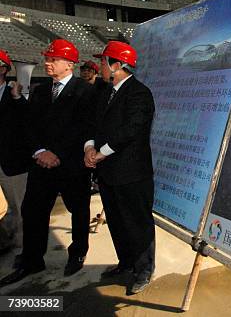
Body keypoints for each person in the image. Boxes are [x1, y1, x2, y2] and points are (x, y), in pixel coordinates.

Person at [0, 40, 95, 287]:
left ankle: (77, 253)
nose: (47, 63)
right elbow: (29, 125)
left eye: (53, 59)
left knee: (79, 212)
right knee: (33, 213)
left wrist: (57, 154)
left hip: (72, 166)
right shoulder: (42, 90)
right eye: (48, 58)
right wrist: (40, 151)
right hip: (42, 165)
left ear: (69, 64)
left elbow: (84, 129)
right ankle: (32, 260)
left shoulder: (86, 91)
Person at [84, 41, 156, 296]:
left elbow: (131, 131)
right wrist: (89, 148)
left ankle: (143, 270)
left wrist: (101, 153)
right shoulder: (104, 92)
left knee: (137, 223)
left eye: (103, 62)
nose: (100, 67)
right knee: (116, 222)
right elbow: (93, 124)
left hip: (132, 174)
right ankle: (126, 263)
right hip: (107, 173)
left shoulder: (139, 93)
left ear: (117, 65)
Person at [0, 50, 30, 256]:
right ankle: (5, 241)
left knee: (20, 208)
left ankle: (23, 248)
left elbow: (29, 119)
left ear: (3, 69)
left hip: (13, 162)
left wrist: (18, 98)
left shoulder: (14, 93)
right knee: (7, 208)